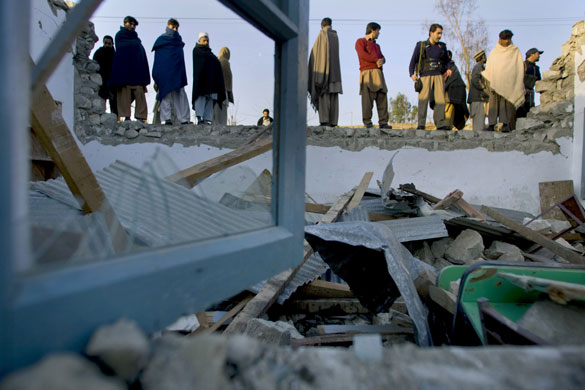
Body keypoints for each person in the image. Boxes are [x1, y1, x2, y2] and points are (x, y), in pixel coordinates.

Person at [409, 24, 452, 130]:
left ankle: (440, 123)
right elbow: (413, 60)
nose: (440, 36)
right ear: (431, 33)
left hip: (438, 75)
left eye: (441, 33)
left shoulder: (442, 47)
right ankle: (421, 123)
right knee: (423, 100)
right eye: (438, 33)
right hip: (425, 75)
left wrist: (449, 68)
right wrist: (412, 74)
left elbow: (448, 61)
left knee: (440, 100)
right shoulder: (421, 45)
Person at [108, 16, 150, 122]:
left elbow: (141, 53)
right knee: (124, 94)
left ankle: (141, 117)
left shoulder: (137, 39)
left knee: (140, 93)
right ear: (125, 23)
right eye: (130, 24)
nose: (132, 27)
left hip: (137, 71)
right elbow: (122, 49)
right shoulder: (120, 36)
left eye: (134, 25)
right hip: (125, 70)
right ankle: (126, 116)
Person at [482, 29, 525, 132]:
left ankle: (505, 124)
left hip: (509, 83)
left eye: (508, 39)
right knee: (493, 104)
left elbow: (518, 68)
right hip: (495, 82)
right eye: (504, 39)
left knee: (506, 105)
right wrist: (490, 82)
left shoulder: (515, 51)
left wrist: (517, 82)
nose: (506, 41)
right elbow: (489, 68)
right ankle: (492, 124)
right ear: (500, 39)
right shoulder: (494, 52)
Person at [152, 18, 190, 125]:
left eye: (176, 28)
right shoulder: (161, 41)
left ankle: (183, 119)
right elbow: (159, 60)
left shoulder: (178, 42)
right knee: (165, 95)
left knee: (180, 94)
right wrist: (157, 75)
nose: (175, 29)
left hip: (177, 72)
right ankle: (167, 118)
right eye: (172, 27)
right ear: (168, 26)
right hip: (165, 72)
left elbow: (179, 59)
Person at [354, 22, 391, 129]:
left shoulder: (377, 45)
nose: (379, 33)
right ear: (373, 30)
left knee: (382, 96)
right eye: (378, 31)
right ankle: (367, 122)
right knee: (367, 98)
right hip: (367, 73)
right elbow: (362, 54)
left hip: (379, 73)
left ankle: (383, 122)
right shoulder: (360, 41)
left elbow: (383, 57)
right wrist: (376, 60)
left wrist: (382, 61)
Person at [308, 17, 343, 127]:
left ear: (322, 25)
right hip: (335, 74)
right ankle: (333, 122)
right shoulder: (335, 36)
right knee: (333, 98)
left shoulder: (322, 34)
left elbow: (317, 55)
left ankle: (324, 121)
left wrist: (318, 75)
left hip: (324, 74)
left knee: (324, 97)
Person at [192, 32, 226, 125]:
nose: (206, 42)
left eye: (207, 40)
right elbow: (200, 65)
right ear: (199, 41)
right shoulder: (197, 51)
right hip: (201, 82)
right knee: (200, 99)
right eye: (204, 40)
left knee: (209, 101)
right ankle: (199, 118)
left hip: (211, 83)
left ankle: (207, 119)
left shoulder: (210, 54)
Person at [443, 50, 469, 130]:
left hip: (451, 97)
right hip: (446, 98)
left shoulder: (452, 68)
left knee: (448, 118)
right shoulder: (442, 67)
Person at [92, 35, 117, 115]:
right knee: (101, 101)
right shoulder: (99, 52)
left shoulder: (115, 55)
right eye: (105, 43)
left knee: (114, 103)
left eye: (109, 43)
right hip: (101, 81)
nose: (107, 45)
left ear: (112, 44)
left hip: (113, 81)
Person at [467, 50, 490, 131]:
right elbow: (475, 80)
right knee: (479, 125)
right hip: (478, 99)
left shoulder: (479, 67)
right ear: (483, 57)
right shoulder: (478, 67)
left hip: (478, 99)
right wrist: (484, 88)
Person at [517, 47, 543, 118]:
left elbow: (539, 82)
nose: (539, 56)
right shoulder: (522, 65)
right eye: (538, 54)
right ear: (532, 54)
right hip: (520, 92)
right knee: (519, 111)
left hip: (530, 93)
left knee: (529, 111)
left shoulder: (536, 68)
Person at [213, 47, 234, 125]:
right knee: (221, 113)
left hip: (218, 91)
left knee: (217, 112)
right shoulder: (224, 62)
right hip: (222, 91)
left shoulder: (218, 61)